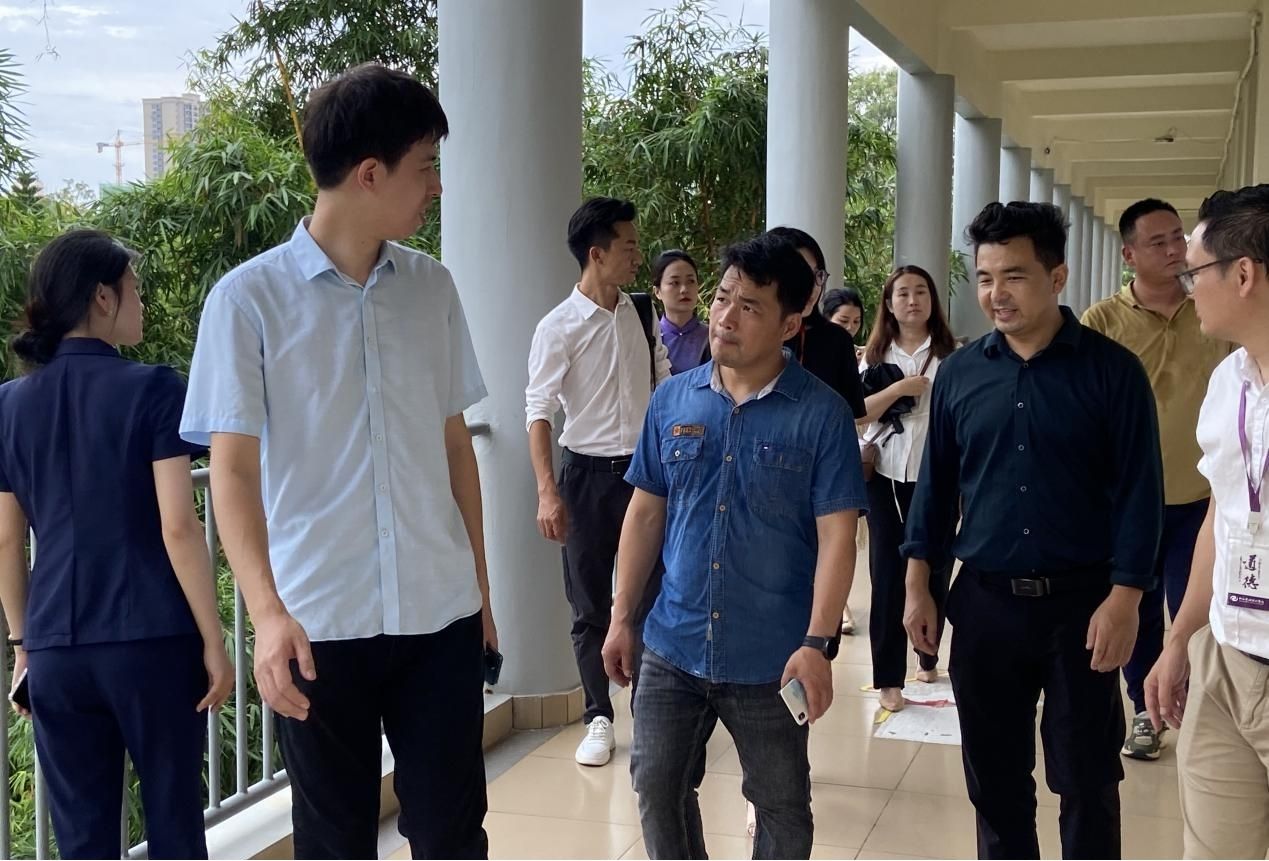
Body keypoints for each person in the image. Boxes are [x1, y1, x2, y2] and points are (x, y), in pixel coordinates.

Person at [180, 64, 495, 859]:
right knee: (334, 842)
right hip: (317, 625)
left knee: (454, 835)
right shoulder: (246, 301)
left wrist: (482, 593)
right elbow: (232, 472)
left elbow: (454, 445)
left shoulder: (432, 289)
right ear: (369, 174)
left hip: (440, 615)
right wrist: (265, 615)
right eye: (425, 166)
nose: (436, 186)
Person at [903, 201, 1164, 859]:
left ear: (1057, 277)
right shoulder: (960, 374)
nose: (996, 293)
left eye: (1013, 276)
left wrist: (1126, 598)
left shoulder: (1112, 372)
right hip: (985, 603)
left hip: (1084, 606)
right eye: (985, 277)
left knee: (1087, 779)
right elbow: (936, 489)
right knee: (994, 781)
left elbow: (1141, 494)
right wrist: (917, 584)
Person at [602, 231, 867, 860]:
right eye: (723, 297)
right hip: (673, 642)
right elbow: (645, 513)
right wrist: (621, 617)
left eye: (750, 307)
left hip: (771, 658)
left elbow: (838, 535)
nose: (725, 316)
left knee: (781, 807)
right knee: (657, 787)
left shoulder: (822, 414)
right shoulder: (673, 398)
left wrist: (817, 643)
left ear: (790, 323)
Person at [0, 230, 232, 859]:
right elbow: (178, 526)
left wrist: (23, 647)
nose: (142, 302)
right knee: (175, 825)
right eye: (135, 288)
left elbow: (7, 540)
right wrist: (213, 640)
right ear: (103, 297)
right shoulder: (154, 388)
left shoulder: (9, 405)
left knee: (83, 840)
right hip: (152, 640)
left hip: (55, 646)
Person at [1143, 183, 1269, 860]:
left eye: (1194, 272)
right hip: (1225, 655)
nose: (1186, 288)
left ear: (1242, 274)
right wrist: (1179, 640)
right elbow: (1222, 513)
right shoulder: (1228, 384)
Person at [1081, 198, 1231, 761]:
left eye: (1178, 238)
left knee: (1197, 607)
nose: (1174, 250)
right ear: (1129, 255)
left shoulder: (1212, 311)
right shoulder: (1102, 322)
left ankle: (1192, 702)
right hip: (1126, 500)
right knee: (1137, 608)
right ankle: (1145, 711)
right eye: (1158, 242)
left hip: (1200, 497)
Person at [525, 197, 671, 767]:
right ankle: (598, 717)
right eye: (629, 246)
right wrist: (547, 491)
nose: (637, 255)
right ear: (597, 254)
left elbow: (663, 384)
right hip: (584, 476)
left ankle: (649, 709)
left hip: (644, 476)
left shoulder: (642, 312)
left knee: (649, 597)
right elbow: (538, 411)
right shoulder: (557, 327)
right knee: (588, 604)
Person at [856, 265, 957, 713]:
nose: (912, 300)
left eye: (920, 292)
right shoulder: (875, 356)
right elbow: (858, 413)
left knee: (935, 568)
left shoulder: (952, 356)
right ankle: (888, 677)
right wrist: (899, 388)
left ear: (933, 301)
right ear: (889, 303)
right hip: (886, 475)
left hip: (938, 476)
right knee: (886, 574)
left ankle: (928, 652)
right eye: (902, 293)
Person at [767, 227, 866, 641]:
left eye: (815, 275)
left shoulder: (835, 340)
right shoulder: (745, 334)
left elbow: (851, 414)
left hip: (819, 484)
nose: (806, 285)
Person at [652, 249, 709, 375]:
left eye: (690, 281)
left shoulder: (712, 337)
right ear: (657, 292)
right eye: (675, 283)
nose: (684, 289)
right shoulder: (649, 339)